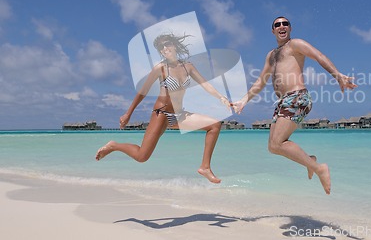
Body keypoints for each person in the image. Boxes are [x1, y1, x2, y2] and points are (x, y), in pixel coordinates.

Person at [232, 16, 357, 194]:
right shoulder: (271, 55)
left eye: (285, 24)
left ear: (290, 28)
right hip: (283, 101)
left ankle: (319, 168)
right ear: (273, 30)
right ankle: (311, 161)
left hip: (297, 97)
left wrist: (338, 76)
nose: (282, 26)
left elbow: (318, 56)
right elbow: (261, 81)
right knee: (273, 147)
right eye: (277, 24)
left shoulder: (295, 44)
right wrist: (243, 100)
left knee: (278, 142)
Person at [95, 33, 231, 184]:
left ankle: (205, 167)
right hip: (162, 114)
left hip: (178, 115)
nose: (165, 49)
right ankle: (114, 145)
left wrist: (222, 98)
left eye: (167, 44)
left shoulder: (188, 67)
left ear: (174, 45)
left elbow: (205, 84)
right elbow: (143, 91)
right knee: (142, 156)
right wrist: (128, 113)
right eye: (161, 47)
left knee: (214, 125)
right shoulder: (161, 68)